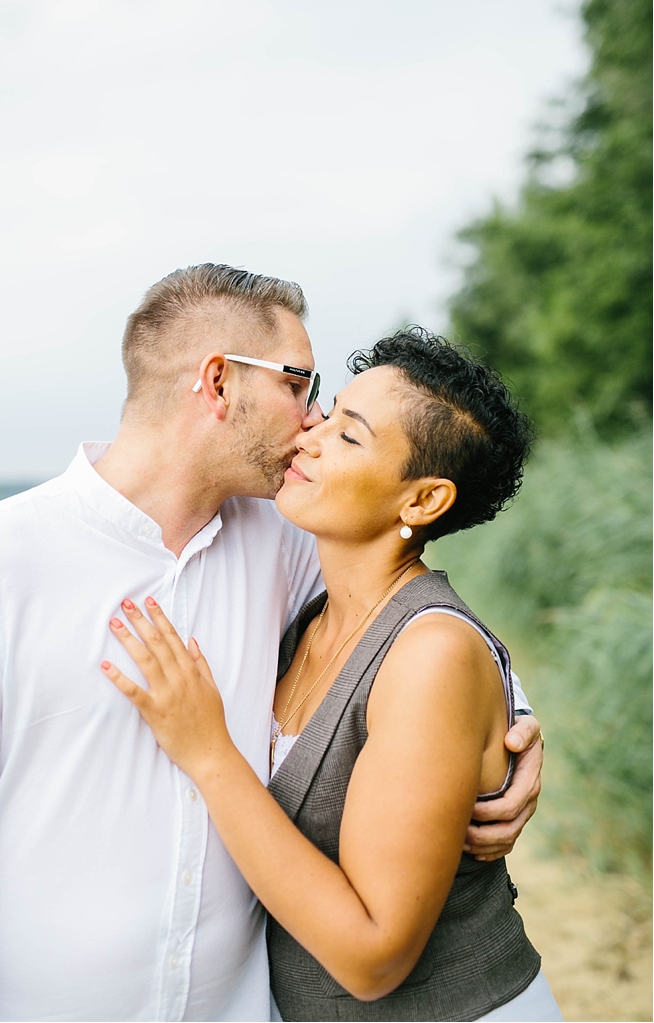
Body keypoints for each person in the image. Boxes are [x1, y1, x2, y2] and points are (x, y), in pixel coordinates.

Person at [0, 266, 541, 1023]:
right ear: (218, 381)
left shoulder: (282, 539)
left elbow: (411, 623)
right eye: (300, 385)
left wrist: (510, 731)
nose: (313, 418)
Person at [101, 328, 562, 1022]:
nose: (309, 435)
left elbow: (374, 956)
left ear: (423, 501)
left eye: (350, 436)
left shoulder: (430, 652)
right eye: (329, 410)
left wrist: (209, 752)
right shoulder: (307, 614)